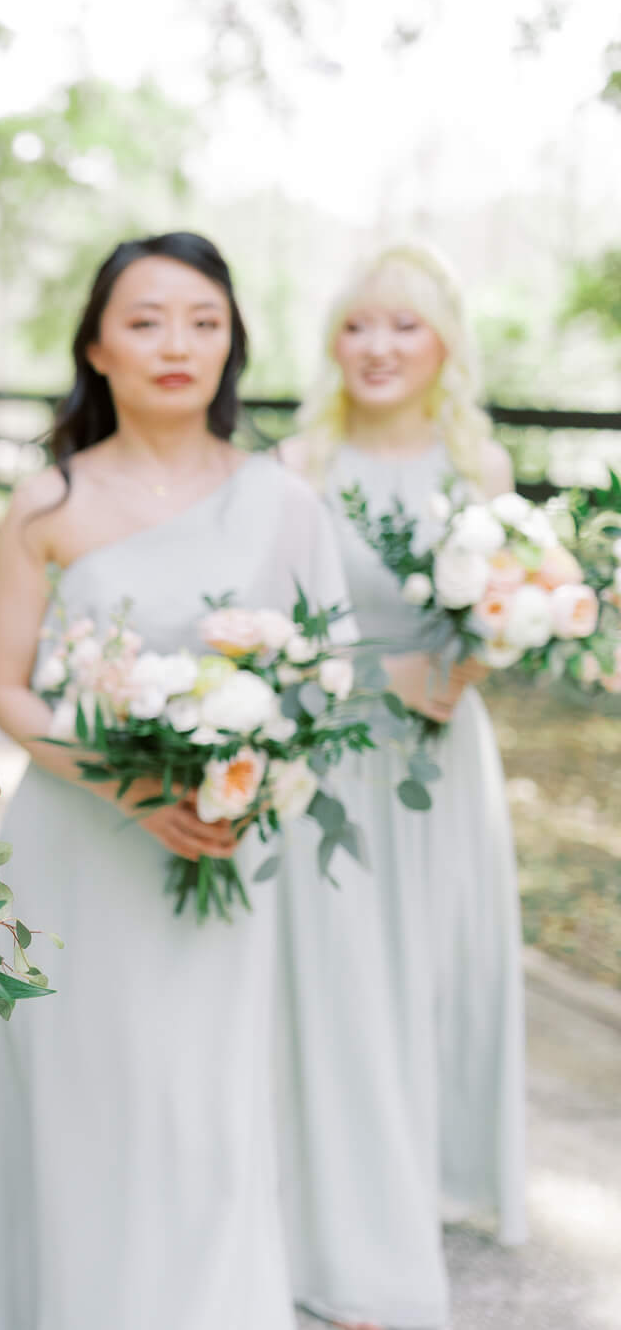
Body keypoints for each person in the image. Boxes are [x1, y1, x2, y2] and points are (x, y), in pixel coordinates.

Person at [0, 233, 350, 1330]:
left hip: (220, 850)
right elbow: (7, 689)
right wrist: (123, 783)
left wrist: (237, 778)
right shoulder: (47, 502)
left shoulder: (283, 501)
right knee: (87, 1101)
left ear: (231, 338)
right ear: (96, 346)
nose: (175, 344)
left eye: (201, 318)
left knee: (199, 1109)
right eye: (143, 321)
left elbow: (322, 676)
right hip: (76, 849)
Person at [271, 242, 526, 1329]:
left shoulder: (482, 474)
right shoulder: (296, 466)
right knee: (331, 984)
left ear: (441, 346)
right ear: (332, 344)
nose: (376, 347)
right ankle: (324, 1212)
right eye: (357, 325)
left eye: (403, 327)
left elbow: (515, 613)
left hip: (430, 758)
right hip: (322, 758)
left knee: (425, 974)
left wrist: (456, 668)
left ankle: (407, 1191)